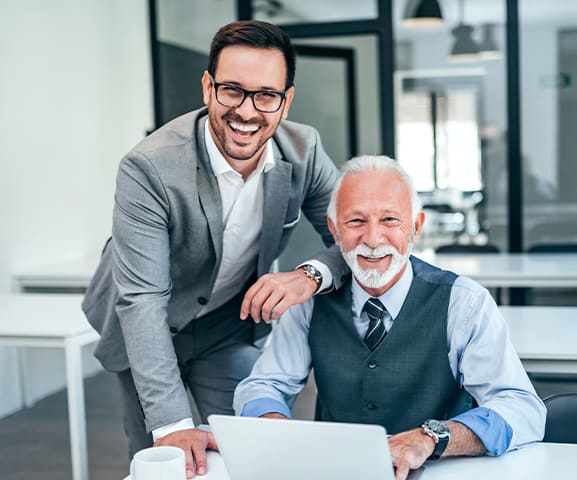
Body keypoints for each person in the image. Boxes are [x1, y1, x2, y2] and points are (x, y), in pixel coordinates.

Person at [82, 20, 347, 478]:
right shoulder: (149, 167)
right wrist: (171, 425)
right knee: (162, 461)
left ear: (286, 101)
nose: (247, 111)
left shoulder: (304, 151)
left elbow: (355, 238)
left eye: (266, 95)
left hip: (226, 326)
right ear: (207, 87)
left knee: (251, 450)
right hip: (144, 325)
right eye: (232, 90)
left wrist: (308, 275)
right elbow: (142, 300)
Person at [234, 155, 546, 480]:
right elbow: (264, 384)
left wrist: (432, 437)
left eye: (389, 220)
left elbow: (523, 410)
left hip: (442, 473)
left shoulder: (463, 302)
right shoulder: (310, 303)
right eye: (355, 222)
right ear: (334, 231)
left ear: (416, 227)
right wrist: (270, 421)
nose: (372, 239)